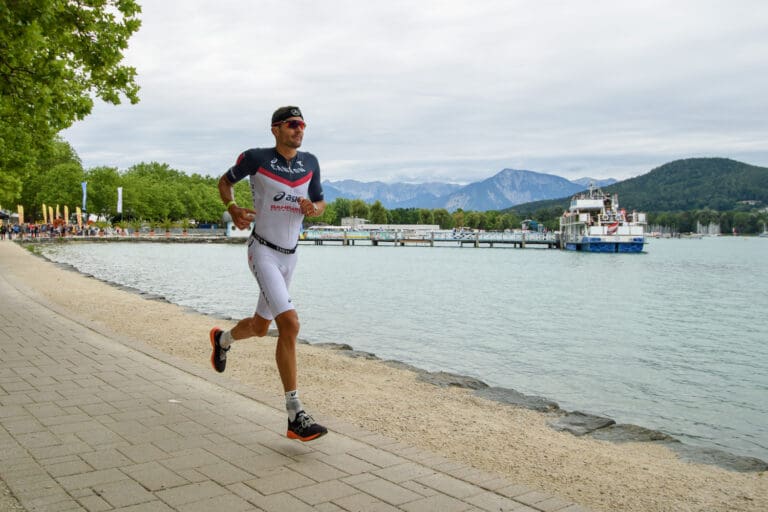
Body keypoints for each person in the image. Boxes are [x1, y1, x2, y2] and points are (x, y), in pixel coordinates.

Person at [210, 106, 328, 442]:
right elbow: (224, 182)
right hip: (261, 250)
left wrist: (313, 209)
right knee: (290, 324)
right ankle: (295, 414)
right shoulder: (255, 158)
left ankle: (222, 340)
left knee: (261, 328)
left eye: (302, 124)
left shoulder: (311, 163)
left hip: (291, 257)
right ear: (276, 129)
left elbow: (321, 203)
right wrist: (232, 208)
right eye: (292, 125)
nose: (299, 130)